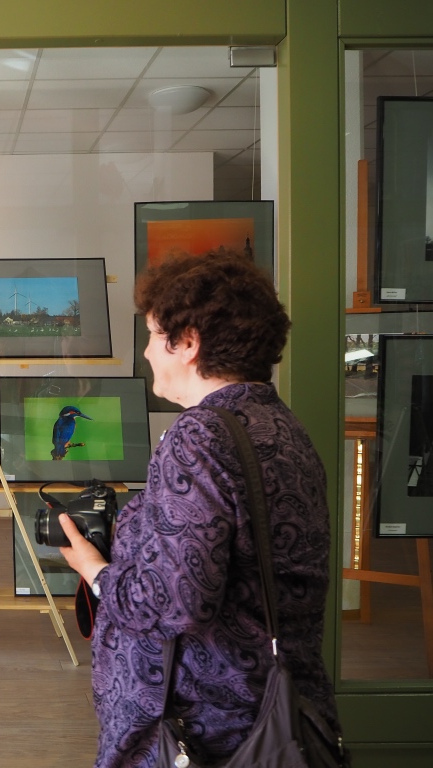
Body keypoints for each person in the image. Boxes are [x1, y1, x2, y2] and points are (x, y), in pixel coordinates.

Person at [58, 251, 343, 768]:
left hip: (204, 732)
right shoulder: (281, 426)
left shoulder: (199, 436)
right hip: (273, 714)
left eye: (152, 335)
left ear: (188, 342)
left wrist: (95, 571)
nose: (147, 352)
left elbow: (175, 603)